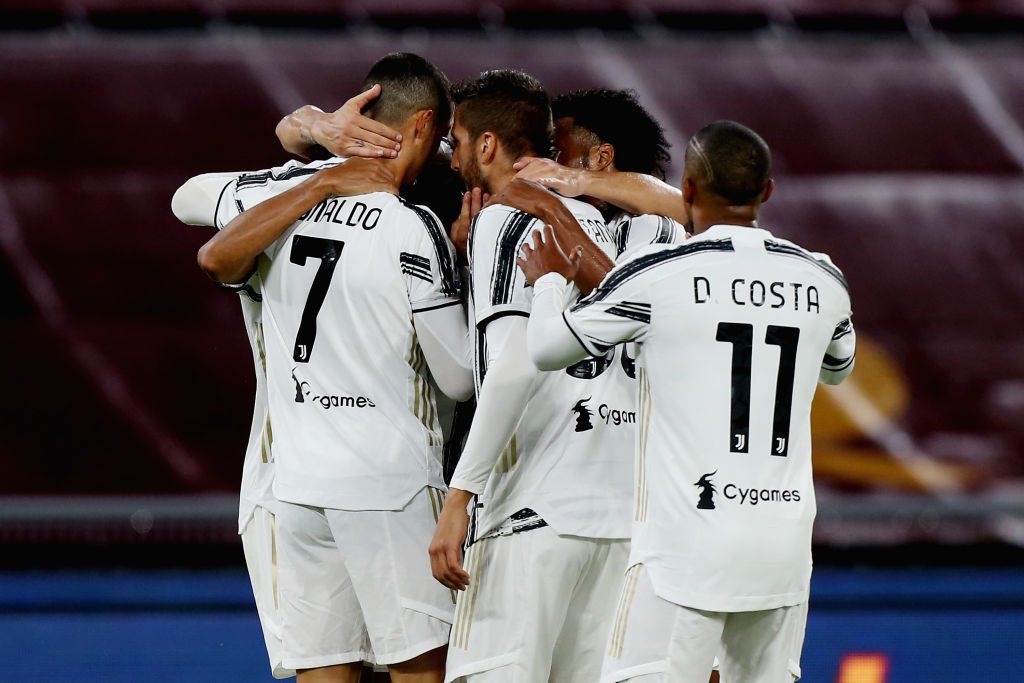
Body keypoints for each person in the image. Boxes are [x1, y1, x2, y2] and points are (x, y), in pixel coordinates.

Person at [518, 120, 856, 683]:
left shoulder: (660, 273)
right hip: (782, 545)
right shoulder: (822, 277)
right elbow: (839, 370)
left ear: (690, 189)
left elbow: (550, 349)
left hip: (682, 547)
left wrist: (551, 282)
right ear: (768, 191)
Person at [196, 52, 474, 683]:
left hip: (296, 484)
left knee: (324, 673)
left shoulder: (283, 201)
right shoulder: (416, 226)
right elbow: (457, 378)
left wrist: (310, 141)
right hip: (389, 484)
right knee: (420, 672)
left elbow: (190, 199)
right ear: (426, 125)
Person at [427, 69, 631, 683]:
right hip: (614, 524)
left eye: (458, 139)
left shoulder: (504, 217)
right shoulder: (604, 227)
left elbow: (512, 364)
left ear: (488, 145)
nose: (453, 154)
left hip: (531, 514)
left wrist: (459, 497)